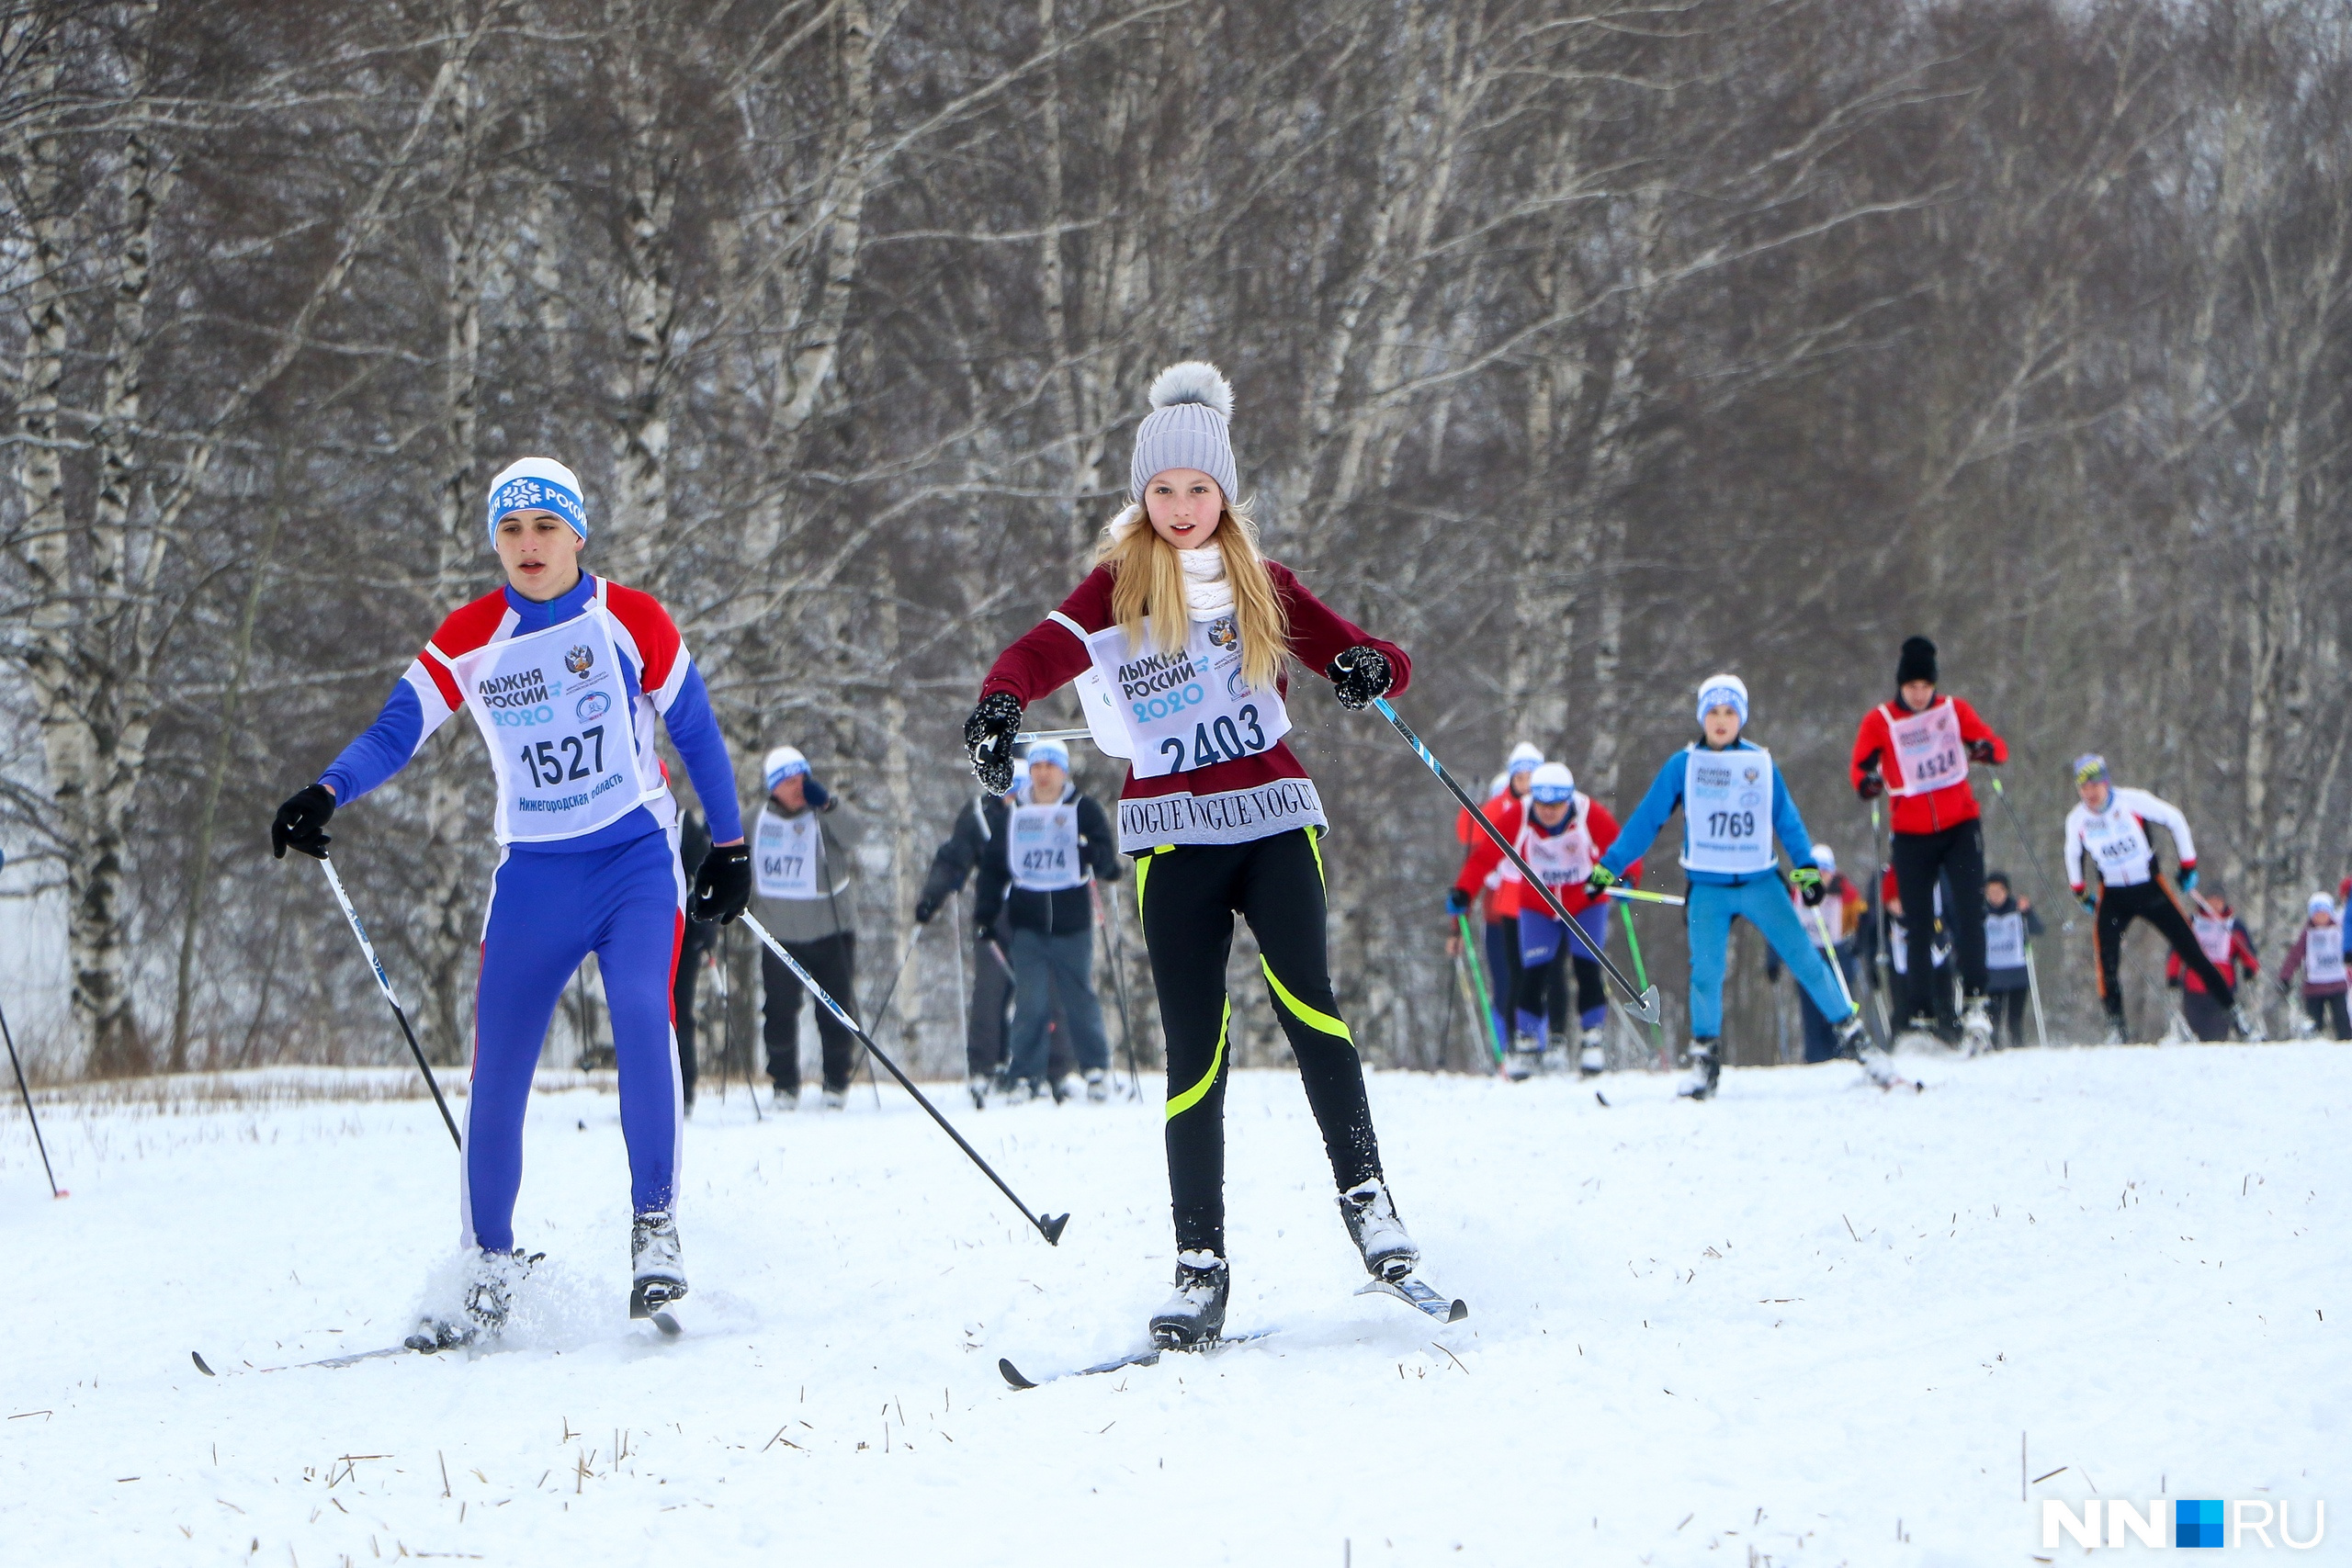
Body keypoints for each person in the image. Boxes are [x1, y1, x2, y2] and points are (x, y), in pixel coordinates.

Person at [963, 359, 1437, 1348]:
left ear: (1225, 495)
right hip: (1171, 838)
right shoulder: (1113, 590)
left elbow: (1377, 656)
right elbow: (1031, 655)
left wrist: (1363, 669)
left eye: (1199, 490)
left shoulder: (1264, 584)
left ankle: (1369, 1202)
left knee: (1308, 1001)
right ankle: (1199, 1267)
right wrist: (1000, 705)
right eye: (1164, 491)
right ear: (1142, 499)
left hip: (1269, 816)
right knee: (1195, 1049)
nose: (1182, 508)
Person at [269, 456, 750, 1340]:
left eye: (544, 527)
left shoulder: (629, 618)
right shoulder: (474, 632)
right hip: (532, 876)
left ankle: (654, 1231)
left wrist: (730, 842)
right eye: (510, 530)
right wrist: (326, 791)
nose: (528, 546)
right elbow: (398, 728)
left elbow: (696, 726)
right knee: (498, 1074)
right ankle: (484, 1267)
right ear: (496, 540)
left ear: (577, 534)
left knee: (644, 1012)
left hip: (634, 862)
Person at [1585, 673, 1883, 1099]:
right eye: (1712, 712)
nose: (1720, 721)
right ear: (1702, 717)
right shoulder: (1684, 765)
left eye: (1729, 713)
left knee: (1806, 961)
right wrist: (1608, 866)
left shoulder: (1759, 764)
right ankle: (1705, 1059)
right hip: (1708, 887)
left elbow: (1788, 819)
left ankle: (1857, 1041)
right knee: (1705, 975)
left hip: (1761, 882)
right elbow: (1646, 820)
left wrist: (1807, 870)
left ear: (1740, 718)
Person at [1849, 636, 2009, 1050]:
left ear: (1934, 685)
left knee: (1971, 912)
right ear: (1900, 686)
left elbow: (1995, 746)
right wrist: (1866, 783)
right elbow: (1860, 766)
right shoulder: (1880, 720)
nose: (1919, 695)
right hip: (1912, 834)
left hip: (1959, 826)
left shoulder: (1953, 711)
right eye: (1911, 687)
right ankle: (1919, 1015)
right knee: (1916, 923)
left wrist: (1987, 749)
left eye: (1925, 686)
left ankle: (1976, 999)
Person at [1447, 761, 1635, 1077]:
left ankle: (1592, 1039)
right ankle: (1527, 1040)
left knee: (1586, 968)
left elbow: (1620, 848)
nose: (1549, 812)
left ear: (1569, 800)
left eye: (1556, 805)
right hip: (1538, 904)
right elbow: (1485, 857)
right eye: (1543, 805)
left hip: (1584, 901)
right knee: (1532, 972)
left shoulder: (1589, 812)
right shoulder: (1519, 815)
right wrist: (1464, 893)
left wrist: (1619, 878)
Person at [2062, 752, 2252, 1044]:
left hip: (2150, 887)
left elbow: (2174, 819)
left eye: (2094, 786)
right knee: (2106, 959)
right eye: (2083, 788)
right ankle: (2116, 1027)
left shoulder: (2131, 801)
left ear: (2106, 783)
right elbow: (2072, 853)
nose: (2089, 794)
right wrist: (2079, 890)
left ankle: (2236, 1014)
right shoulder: (2078, 819)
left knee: (2192, 952)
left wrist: (2188, 864)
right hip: (2112, 893)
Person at [973, 740, 1125, 1102]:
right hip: (1028, 922)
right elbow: (994, 867)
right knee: (1031, 1001)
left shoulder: (1081, 807)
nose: (1043, 774)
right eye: (1037, 766)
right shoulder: (1015, 810)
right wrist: (986, 914)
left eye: (1050, 767)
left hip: (1072, 921)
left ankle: (1096, 1070)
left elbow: (1109, 865)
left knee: (1079, 997)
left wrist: (1093, 853)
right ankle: (1025, 1074)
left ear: (1063, 772)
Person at [913, 783, 1076, 1107]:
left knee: (1049, 991)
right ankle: (986, 1068)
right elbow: (953, 858)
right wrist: (933, 897)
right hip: (996, 917)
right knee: (990, 992)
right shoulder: (979, 814)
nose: (1013, 797)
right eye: (1007, 789)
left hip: (1043, 914)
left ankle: (1054, 1068)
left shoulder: (1050, 812)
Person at [751, 745, 864, 1110]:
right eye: (788, 781)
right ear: (773, 788)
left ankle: (836, 1081)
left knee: (834, 1009)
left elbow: (857, 834)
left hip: (831, 930)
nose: (798, 787)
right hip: (780, 935)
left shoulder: (823, 814)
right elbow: (730, 852)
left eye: (802, 778)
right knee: (779, 1011)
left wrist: (830, 805)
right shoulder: (755, 819)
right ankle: (784, 1084)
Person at [1453, 743, 1543, 1049]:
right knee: (1505, 982)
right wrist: (1471, 806)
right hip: (1500, 913)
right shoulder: (1500, 807)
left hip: (1540, 912)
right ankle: (1507, 1048)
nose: (1526, 785)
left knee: (1539, 980)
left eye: (1532, 777)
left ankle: (1539, 1043)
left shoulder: (1550, 807)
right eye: (1520, 778)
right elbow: (1468, 837)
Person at [1765, 844, 1863, 1063]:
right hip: (1808, 956)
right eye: (1817, 872)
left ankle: (1843, 1054)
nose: (1822, 878)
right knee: (1811, 1009)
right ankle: (1816, 1057)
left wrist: (1859, 944)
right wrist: (1774, 959)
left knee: (1840, 1005)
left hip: (1838, 956)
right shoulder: (1797, 895)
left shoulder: (1844, 893)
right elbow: (1780, 927)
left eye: (1826, 872)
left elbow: (1861, 919)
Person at [2165, 884, 2259, 1043]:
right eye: (2211, 901)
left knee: (2217, 1035)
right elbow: (2177, 950)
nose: (2214, 905)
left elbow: (2246, 950)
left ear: (2224, 903)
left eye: (2218, 901)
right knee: (2196, 1032)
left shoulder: (2233, 925)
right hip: (2194, 988)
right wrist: (2172, 975)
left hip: (2223, 987)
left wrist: (2250, 968)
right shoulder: (2192, 923)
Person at [673, 807, 717, 1111]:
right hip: (639, 933)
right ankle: (644, 1090)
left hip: (685, 933)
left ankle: (684, 1088)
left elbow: (707, 882)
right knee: (640, 1013)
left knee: (680, 1009)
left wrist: (707, 933)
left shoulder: (681, 822)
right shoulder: (621, 817)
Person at [1980, 872, 2044, 1048]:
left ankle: (2018, 1047)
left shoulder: (2018, 910)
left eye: (1998, 892)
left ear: (2006, 891)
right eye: (1990, 892)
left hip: (2017, 972)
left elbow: (2038, 929)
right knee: (1994, 1017)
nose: (1994, 896)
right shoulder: (1982, 911)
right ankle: (1993, 1048)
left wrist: (2028, 912)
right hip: (1993, 974)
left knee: (2014, 1019)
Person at [2278, 893, 2349, 1040]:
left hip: (2337, 983)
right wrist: (2286, 976)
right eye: (2317, 914)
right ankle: (2313, 1048)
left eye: (2324, 913)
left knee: (2342, 1020)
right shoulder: (2308, 933)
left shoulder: (2340, 930)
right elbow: (2295, 955)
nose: (2320, 917)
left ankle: (2347, 1046)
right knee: (2313, 1024)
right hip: (2314, 986)